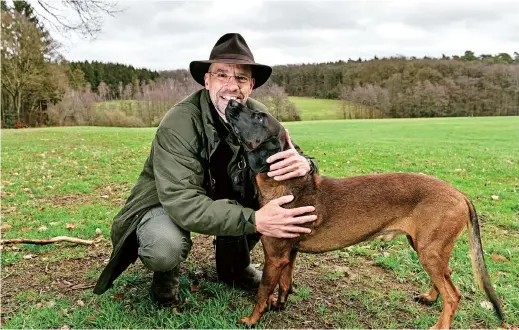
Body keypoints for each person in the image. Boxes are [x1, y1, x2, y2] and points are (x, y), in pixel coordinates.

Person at [93, 33, 319, 305]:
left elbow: (291, 152)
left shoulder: (256, 114)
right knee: (164, 246)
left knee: (268, 197)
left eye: (241, 78)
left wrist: (305, 164)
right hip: (167, 202)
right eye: (222, 75)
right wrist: (254, 220)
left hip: (219, 195)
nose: (231, 86)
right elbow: (182, 202)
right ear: (207, 80)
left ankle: (234, 268)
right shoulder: (179, 121)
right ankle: (165, 279)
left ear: (251, 85)